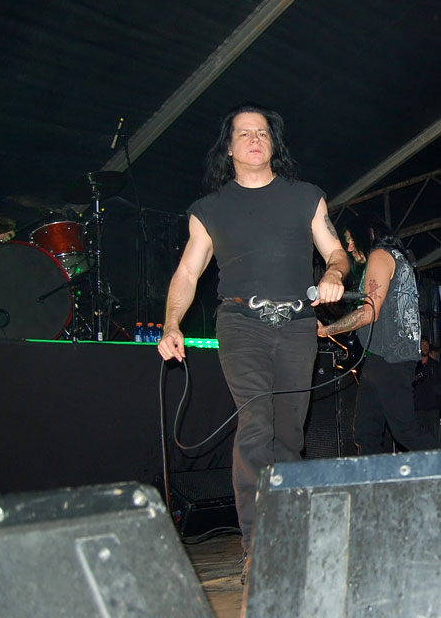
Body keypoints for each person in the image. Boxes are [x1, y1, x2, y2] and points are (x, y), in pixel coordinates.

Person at [157, 103, 349, 582]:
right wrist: (171, 324)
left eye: (262, 132)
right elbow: (187, 273)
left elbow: (336, 252)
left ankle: (289, 539)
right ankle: (258, 547)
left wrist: (332, 274)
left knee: (289, 437)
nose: (254, 139)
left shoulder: (305, 196)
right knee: (256, 424)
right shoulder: (210, 209)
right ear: (229, 147)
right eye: (244, 133)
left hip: (298, 324)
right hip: (241, 323)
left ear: (273, 142)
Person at [317, 217, 439, 454]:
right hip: (380, 357)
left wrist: (325, 331)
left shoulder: (381, 255)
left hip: (391, 357)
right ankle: (371, 477)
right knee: (366, 432)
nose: (349, 247)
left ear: (369, 233)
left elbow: (368, 313)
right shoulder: (393, 259)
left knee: (404, 430)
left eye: (351, 240)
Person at [413, 337, 441, 441]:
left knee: (434, 440)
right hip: (417, 410)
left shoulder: (436, 366)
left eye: (426, 345)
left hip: (433, 410)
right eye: (422, 344)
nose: (425, 347)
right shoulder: (412, 366)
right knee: (419, 441)